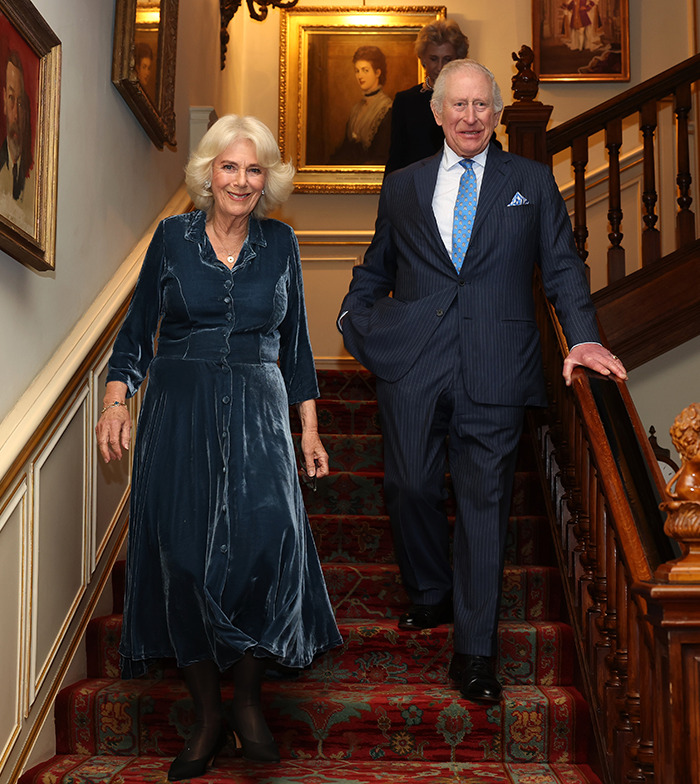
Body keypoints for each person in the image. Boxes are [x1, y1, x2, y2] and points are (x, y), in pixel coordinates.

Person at [338, 59, 627, 705]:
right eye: (459, 105)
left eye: (481, 105)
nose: (470, 117)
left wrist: (582, 336)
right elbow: (377, 265)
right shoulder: (404, 185)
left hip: (497, 365)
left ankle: (475, 653)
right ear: (437, 112)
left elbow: (562, 266)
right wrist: (351, 316)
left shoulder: (530, 180)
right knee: (409, 486)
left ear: (496, 113)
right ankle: (431, 590)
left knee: (484, 507)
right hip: (413, 364)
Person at [95, 114, 342, 781]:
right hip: (179, 412)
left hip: (261, 414)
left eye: (254, 169)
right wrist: (116, 400)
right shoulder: (171, 238)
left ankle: (249, 703)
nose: (241, 180)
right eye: (229, 166)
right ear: (208, 173)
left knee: (265, 549)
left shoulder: (281, 242)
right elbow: (136, 332)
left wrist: (309, 430)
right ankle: (207, 715)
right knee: (182, 559)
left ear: (268, 180)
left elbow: (296, 345)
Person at [385, 19, 468, 175]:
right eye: (434, 59)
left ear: (458, 59)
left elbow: (489, 148)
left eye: (447, 59)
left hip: (462, 185)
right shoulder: (406, 101)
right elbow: (396, 158)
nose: (440, 67)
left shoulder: (470, 100)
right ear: (423, 59)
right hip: (415, 185)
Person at [331, 46, 392, 165]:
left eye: (365, 70)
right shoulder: (356, 109)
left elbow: (381, 155)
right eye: (357, 71)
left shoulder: (387, 109)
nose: (360, 76)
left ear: (377, 72)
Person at [0, 49, 34, 214]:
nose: (15, 115)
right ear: (4, 100)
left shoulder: (32, 176)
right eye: (11, 99)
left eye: (20, 103)